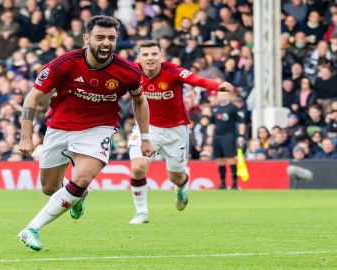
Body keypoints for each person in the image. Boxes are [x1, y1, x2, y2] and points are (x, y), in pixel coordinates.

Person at [17, 15, 155, 251]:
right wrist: (26, 136)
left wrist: (145, 138)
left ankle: (32, 228)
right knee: (50, 188)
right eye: (100, 37)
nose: (106, 43)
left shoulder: (128, 71)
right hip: (60, 127)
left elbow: (140, 102)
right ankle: (77, 197)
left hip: (98, 128)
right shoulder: (65, 63)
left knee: (81, 178)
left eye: (111, 38)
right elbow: (33, 96)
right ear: (86, 38)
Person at [127, 40, 234, 224]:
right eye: (145, 54)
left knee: (176, 177)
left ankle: (181, 189)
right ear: (139, 57)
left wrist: (217, 86)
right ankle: (142, 212)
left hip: (175, 130)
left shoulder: (172, 71)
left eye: (154, 54)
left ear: (161, 55)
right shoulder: (132, 71)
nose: (150, 58)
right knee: (137, 168)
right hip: (147, 128)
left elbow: (196, 80)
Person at [211, 91, 246, 190]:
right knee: (219, 160)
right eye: (221, 95)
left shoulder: (233, 107)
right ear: (218, 96)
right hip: (217, 137)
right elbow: (212, 123)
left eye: (224, 94)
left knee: (231, 159)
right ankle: (223, 183)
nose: (222, 96)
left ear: (229, 96)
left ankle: (234, 183)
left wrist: (241, 135)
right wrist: (210, 136)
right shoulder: (215, 108)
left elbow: (241, 122)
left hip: (228, 136)